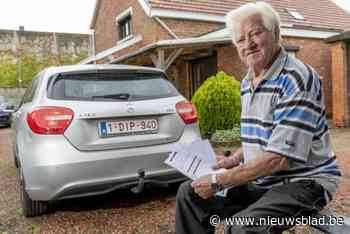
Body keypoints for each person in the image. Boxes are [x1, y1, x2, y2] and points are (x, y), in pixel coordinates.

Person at [175, 2, 341, 234]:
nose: (248, 44)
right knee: (189, 192)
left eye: (255, 33)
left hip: (305, 182)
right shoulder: (247, 82)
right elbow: (264, 136)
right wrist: (231, 161)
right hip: (264, 180)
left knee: (242, 227)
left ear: (276, 33)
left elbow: (279, 159)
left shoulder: (296, 79)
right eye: (241, 40)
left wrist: (219, 181)